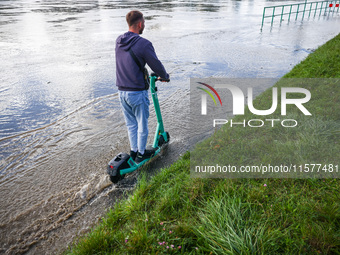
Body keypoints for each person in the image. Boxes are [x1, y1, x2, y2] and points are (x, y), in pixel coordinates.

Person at [115, 10, 169, 163]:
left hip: (122, 91)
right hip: (137, 92)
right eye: (144, 22)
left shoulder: (119, 41)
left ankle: (134, 151)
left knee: (131, 124)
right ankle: (142, 153)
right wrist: (165, 76)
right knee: (142, 124)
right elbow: (156, 65)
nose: (144, 24)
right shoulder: (144, 44)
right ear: (140, 24)